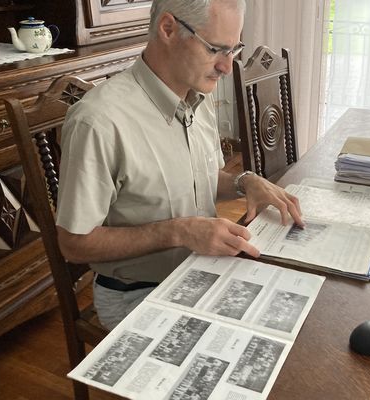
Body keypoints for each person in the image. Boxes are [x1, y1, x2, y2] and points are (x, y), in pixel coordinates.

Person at [55, 0, 303, 330]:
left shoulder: (197, 96)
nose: (227, 67)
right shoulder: (98, 122)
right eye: (216, 49)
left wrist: (245, 182)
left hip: (203, 272)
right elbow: (73, 244)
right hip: (136, 294)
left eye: (234, 50)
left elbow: (200, 178)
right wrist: (179, 231)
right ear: (168, 29)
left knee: (293, 317)